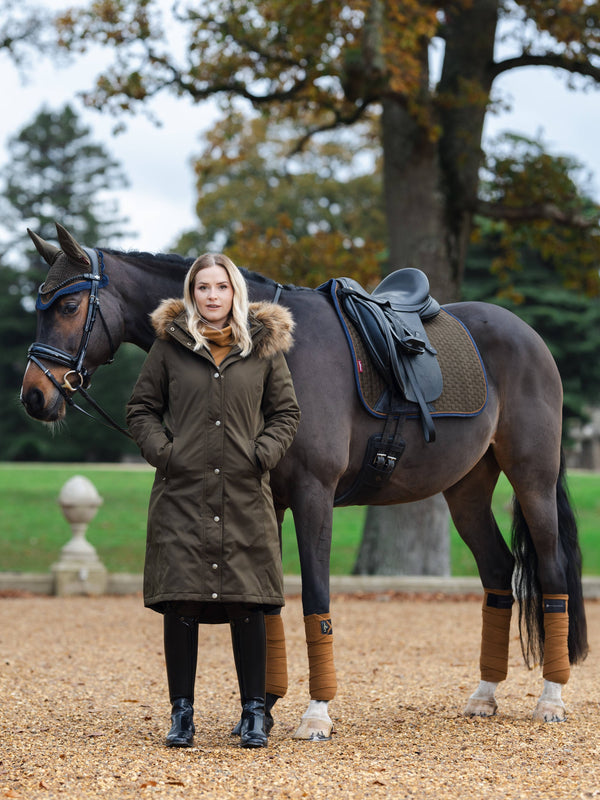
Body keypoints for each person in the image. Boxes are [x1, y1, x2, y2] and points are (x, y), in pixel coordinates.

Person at [126, 253, 300, 749]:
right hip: (182, 494)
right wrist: (165, 452)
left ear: (234, 292)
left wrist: (260, 455)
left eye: (220, 286)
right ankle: (182, 714)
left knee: (249, 603)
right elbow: (141, 408)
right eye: (202, 287)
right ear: (191, 293)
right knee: (182, 601)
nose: (211, 296)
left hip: (245, 493)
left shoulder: (263, 350)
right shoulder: (169, 348)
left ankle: (254, 714)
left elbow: (286, 412)